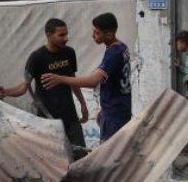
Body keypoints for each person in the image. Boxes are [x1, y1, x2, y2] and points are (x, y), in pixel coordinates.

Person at [0, 18, 89, 146]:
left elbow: (73, 80)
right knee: (55, 161)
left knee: (80, 155)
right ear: (49, 35)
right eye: (61, 35)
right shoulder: (37, 58)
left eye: (66, 34)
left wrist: (83, 104)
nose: (66, 38)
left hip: (70, 118)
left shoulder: (69, 53)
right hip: (48, 120)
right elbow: (24, 87)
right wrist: (5, 92)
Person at [41, 12, 132, 142]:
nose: (93, 35)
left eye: (97, 33)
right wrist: (104, 109)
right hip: (118, 108)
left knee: (109, 155)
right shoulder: (121, 47)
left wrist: (60, 79)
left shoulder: (113, 54)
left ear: (110, 34)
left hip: (114, 114)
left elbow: (93, 81)